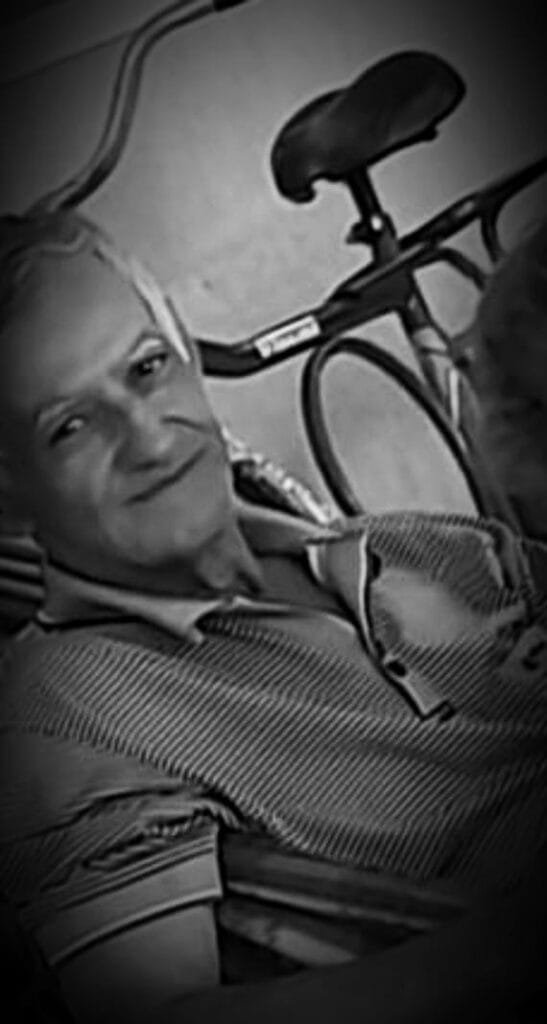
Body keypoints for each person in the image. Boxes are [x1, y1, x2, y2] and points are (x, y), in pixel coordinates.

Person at [0, 209, 546, 1024]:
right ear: (7, 492)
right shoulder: (69, 707)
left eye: (147, 368)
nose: (150, 441)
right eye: (70, 427)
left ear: (189, 355)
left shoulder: (390, 543)